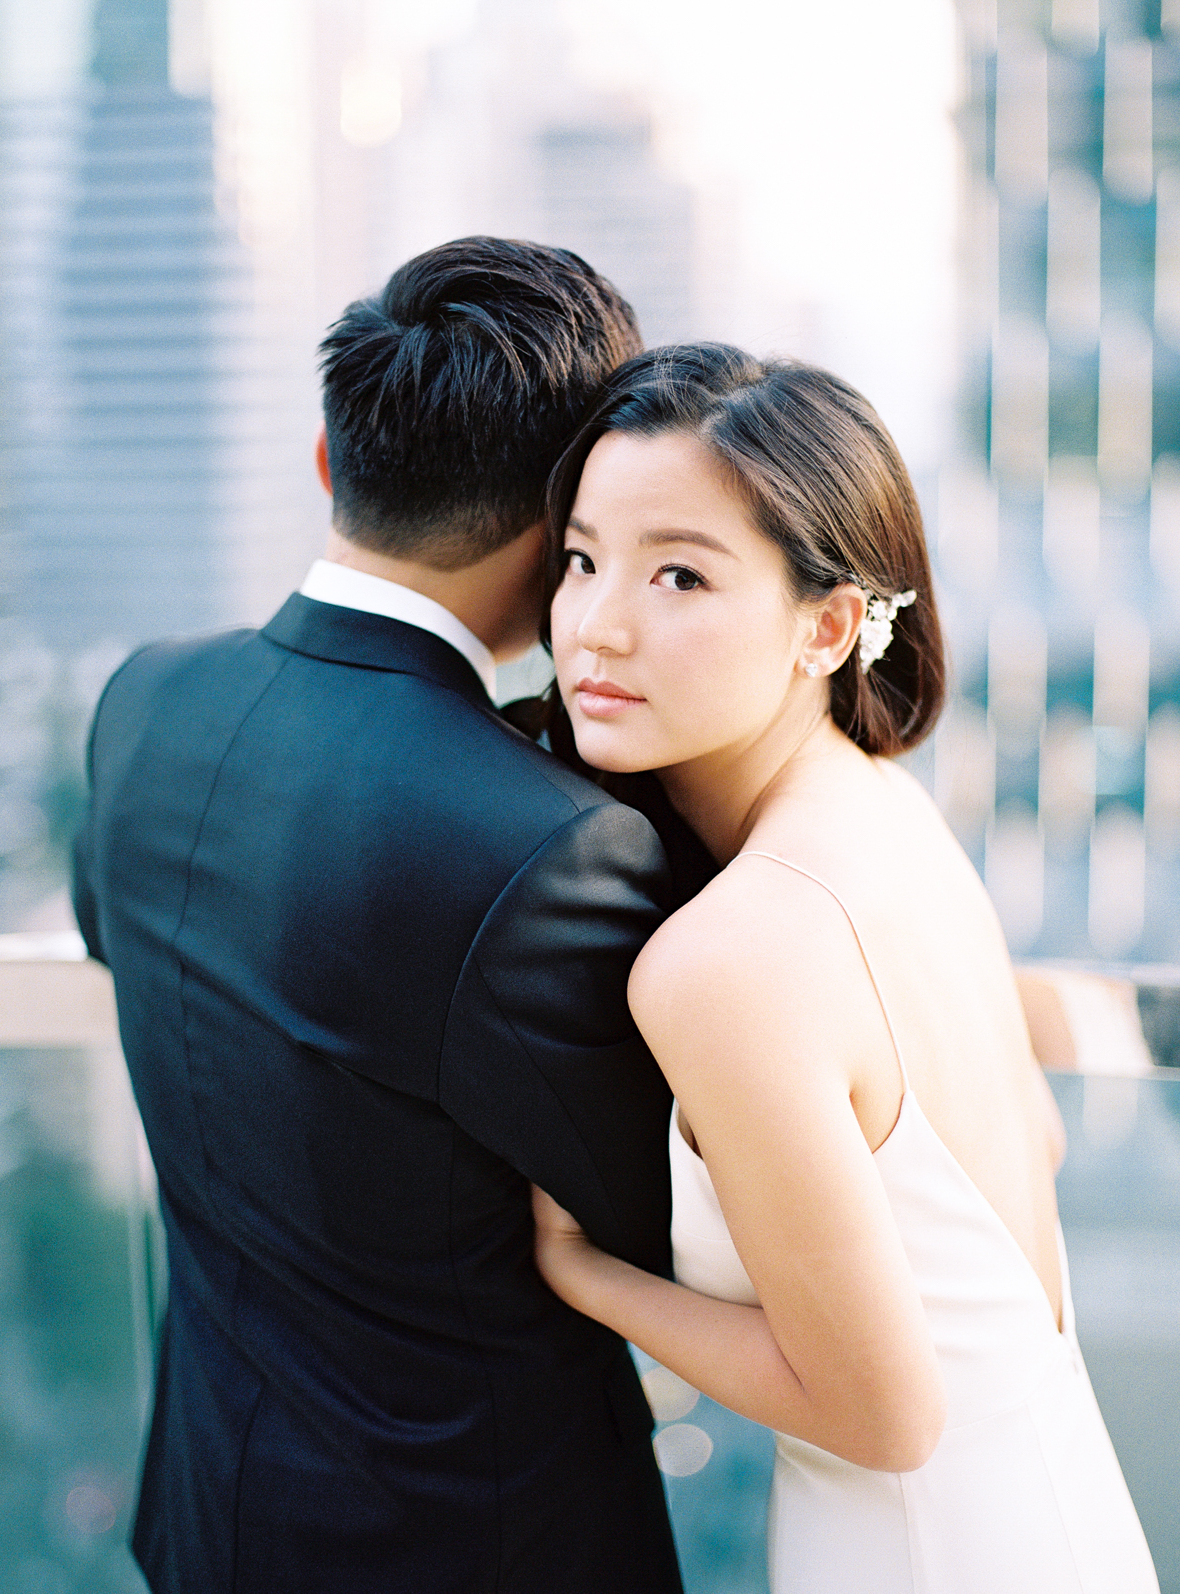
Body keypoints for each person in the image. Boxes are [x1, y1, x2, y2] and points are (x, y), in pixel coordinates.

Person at [71, 239, 692, 1594]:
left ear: (324, 459)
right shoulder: (549, 841)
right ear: (565, 507)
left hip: (212, 1513)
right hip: (474, 1544)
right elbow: (669, 1219)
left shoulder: (143, 706)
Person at [533, 344, 1160, 1593]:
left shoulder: (726, 958)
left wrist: (579, 1272)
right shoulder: (884, 811)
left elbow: (885, 1415)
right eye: (583, 558)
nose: (598, 623)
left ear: (827, 625)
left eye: (679, 574)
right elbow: (1024, 1134)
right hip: (1060, 1506)